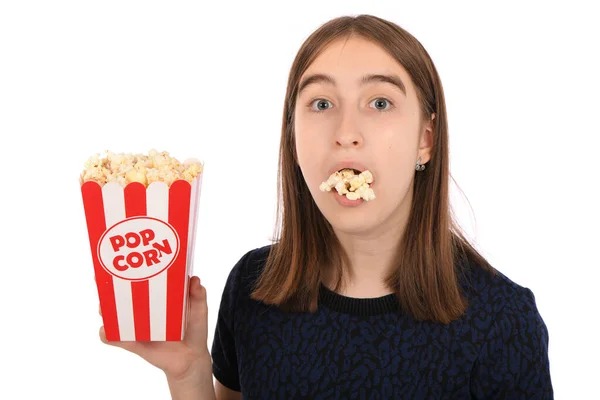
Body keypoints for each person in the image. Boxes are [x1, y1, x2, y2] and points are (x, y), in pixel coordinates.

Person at [99, 14, 554, 399]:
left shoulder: (503, 321)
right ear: (294, 136)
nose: (346, 131)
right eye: (321, 103)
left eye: (379, 102)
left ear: (425, 139)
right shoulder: (252, 290)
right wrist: (189, 375)